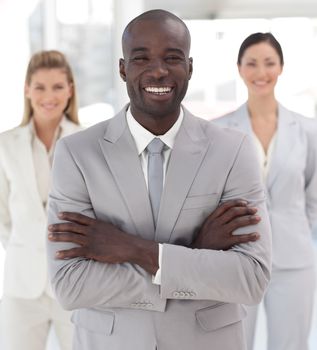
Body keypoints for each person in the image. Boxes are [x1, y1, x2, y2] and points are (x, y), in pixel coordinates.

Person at [47, 10, 272, 350]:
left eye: (172, 57)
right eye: (142, 58)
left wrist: (134, 250)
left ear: (190, 68)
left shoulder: (234, 149)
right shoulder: (77, 154)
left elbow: (250, 278)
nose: (158, 70)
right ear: (123, 68)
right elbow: (70, 285)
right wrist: (193, 255)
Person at [214, 32, 317, 350]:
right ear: (240, 68)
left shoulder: (307, 130)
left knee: (291, 343)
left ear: (281, 68)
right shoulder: (219, 131)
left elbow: (313, 196)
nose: (261, 73)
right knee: (234, 341)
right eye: (252, 64)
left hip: (294, 259)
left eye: (269, 63)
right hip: (240, 257)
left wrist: (305, 238)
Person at [0, 50, 82, 350]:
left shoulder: (85, 143)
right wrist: (28, 246)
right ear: (26, 90)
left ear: (70, 90)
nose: (49, 96)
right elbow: (3, 216)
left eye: (58, 86)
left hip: (73, 281)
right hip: (21, 285)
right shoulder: (5, 144)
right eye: (40, 87)